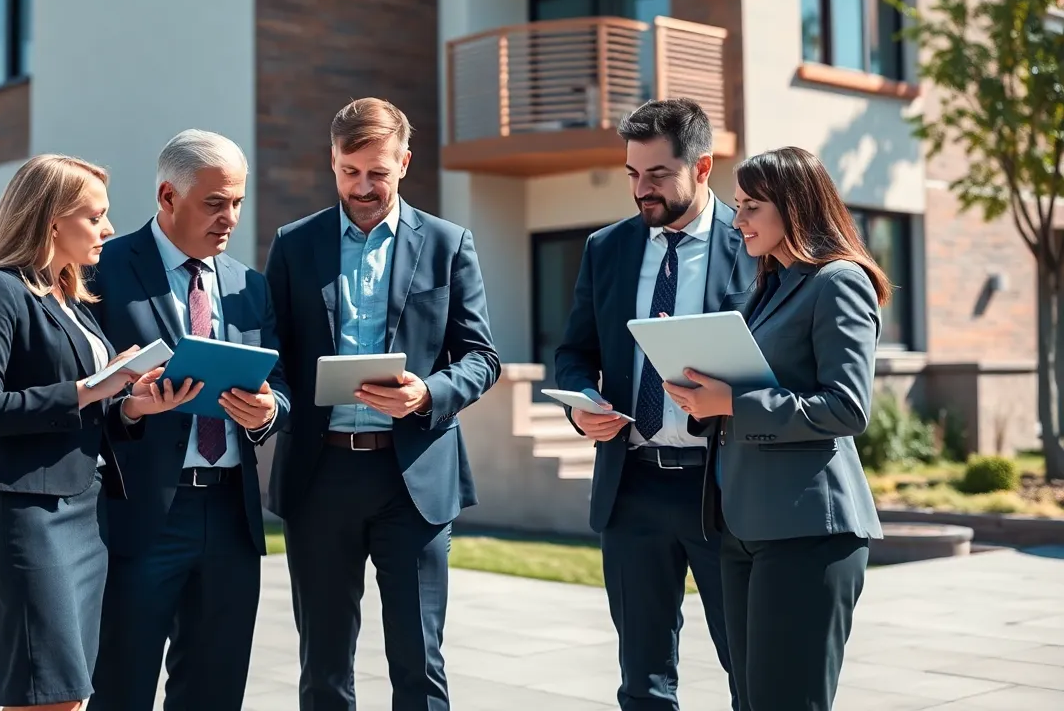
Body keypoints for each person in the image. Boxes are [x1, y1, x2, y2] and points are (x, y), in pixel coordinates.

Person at [264, 97, 499, 711]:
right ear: (332, 162)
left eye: (377, 171)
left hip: (413, 477)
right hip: (320, 476)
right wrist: (273, 401)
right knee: (323, 665)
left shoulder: (449, 244)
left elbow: (481, 357)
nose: (362, 187)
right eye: (349, 171)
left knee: (419, 662)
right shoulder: (294, 244)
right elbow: (276, 355)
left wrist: (430, 393)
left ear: (405, 162)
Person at [0, 154, 197, 711]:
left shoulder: (69, 299)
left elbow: (85, 414)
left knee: (73, 695)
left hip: (87, 516)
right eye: (96, 216)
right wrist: (91, 387)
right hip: (29, 517)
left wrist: (133, 407)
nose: (109, 229)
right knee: (47, 695)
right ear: (51, 221)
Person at [666, 145, 886, 711]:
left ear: (795, 207)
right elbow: (748, 392)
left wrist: (733, 402)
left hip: (810, 529)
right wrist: (700, 387)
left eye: (751, 207)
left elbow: (845, 408)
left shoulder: (838, 282)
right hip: (744, 526)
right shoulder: (768, 287)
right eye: (736, 206)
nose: (736, 220)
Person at [552, 98, 748, 710]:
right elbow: (575, 351)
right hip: (631, 485)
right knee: (642, 681)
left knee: (751, 668)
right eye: (633, 174)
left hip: (723, 489)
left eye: (658, 175)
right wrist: (581, 403)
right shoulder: (607, 248)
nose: (643, 190)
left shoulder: (753, 242)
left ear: (704, 166)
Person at [86, 130, 290, 711]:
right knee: (120, 687)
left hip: (230, 513)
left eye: (237, 202)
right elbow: (76, 385)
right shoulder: (104, 270)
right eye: (214, 202)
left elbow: (283, 385)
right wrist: (128, 404)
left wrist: (269, 411)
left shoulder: (249, 284)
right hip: (138, 514)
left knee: (215, 690)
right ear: (167, 197)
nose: (230, 218)